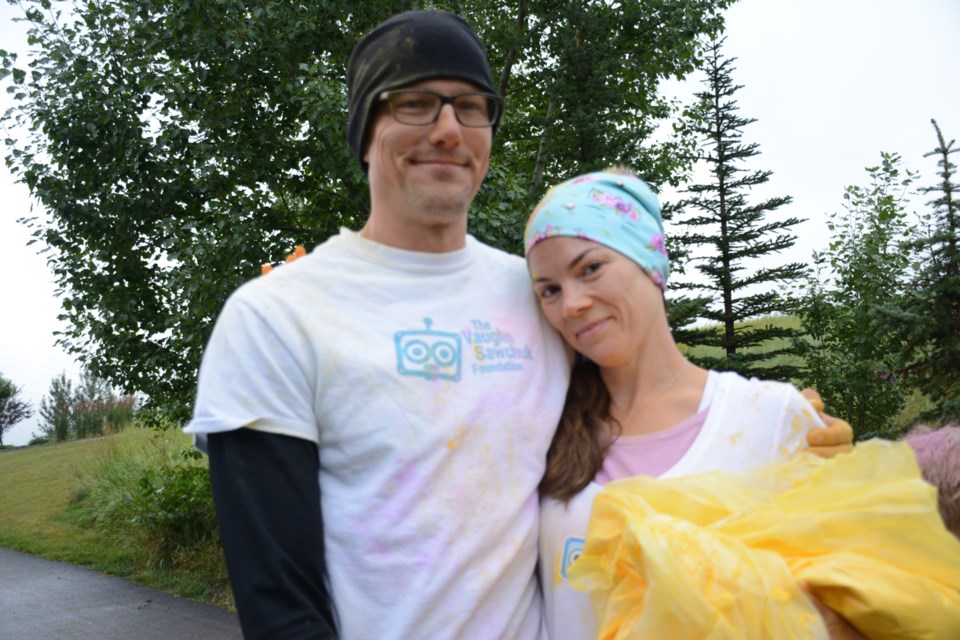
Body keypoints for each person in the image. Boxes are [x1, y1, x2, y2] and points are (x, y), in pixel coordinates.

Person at [185, 11, 853, 640]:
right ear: (365, 132)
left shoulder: (535, 294)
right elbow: (279, 604)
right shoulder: (276, 316)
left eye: (470, 107)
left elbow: (645, 400)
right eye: (414, 102)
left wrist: (778, 440)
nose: (447, 129)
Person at [525, 169, 864, 639]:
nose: (572, 304)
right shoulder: (542, 430)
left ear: (651, 262)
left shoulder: (771, 417)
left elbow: (847, 608)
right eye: (549, 290)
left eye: (590, 268)